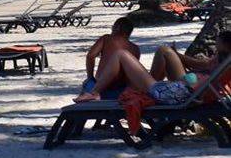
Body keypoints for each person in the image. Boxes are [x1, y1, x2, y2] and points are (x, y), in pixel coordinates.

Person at [74, 31, 231, 105]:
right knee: (163, 51)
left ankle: (94, 92)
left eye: (218, 42)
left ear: (225, 45)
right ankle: (96, 92)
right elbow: (200, 70)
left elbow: (200, 73)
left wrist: (191, 78)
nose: (215, 45)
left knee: (121, 54)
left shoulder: (222, 66)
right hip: (180, 90)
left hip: (174, 93)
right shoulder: (223, 63)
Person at [82, 18, 140, 99]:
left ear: (117, 28)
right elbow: (132, 73)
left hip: (98, 89)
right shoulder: (135, 48)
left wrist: (90, 77)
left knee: (87, 83)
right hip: (119, 91)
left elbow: (91, 56)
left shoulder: (106, 38)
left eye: (113, 27)